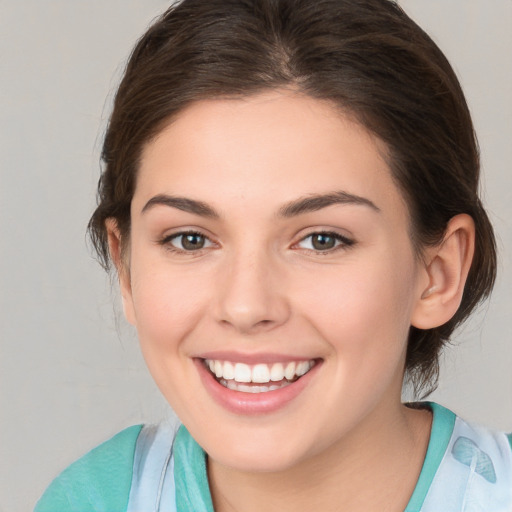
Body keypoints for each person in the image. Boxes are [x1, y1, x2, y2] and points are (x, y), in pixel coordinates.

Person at [34, 0, 511, 510]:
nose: (245, 305)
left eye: (321, 239)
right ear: (125, 267)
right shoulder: (91, 499)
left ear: (438, 274)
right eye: (190, 239)